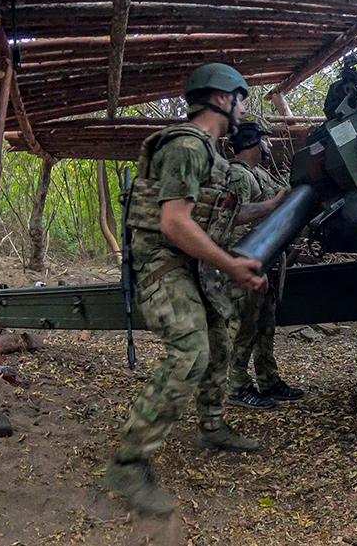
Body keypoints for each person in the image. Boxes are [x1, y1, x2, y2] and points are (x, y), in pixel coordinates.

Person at [103, 63, 278, 516]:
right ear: (222, 99)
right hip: (164, 264)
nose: (243, 108)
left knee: (221, 335)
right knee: (190, 349)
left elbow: (218, 216)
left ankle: (213, 425)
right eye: (240, 98)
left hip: (193, 266)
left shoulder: (211, 155)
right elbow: (174, 222)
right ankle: (129, 461)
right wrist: (232, 266)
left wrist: (273, 205)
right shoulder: (185, 146)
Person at [226, 116, 304, 407]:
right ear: (251, 141)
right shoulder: (237, 175)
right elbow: (234, 214)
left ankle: (268, 380)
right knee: (244, 326)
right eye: (265, 139)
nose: (269, 144)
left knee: (264, 326)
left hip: (265, 261)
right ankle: (236, 387)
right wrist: (272, 205)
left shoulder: (260, 173)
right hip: (244, 262)